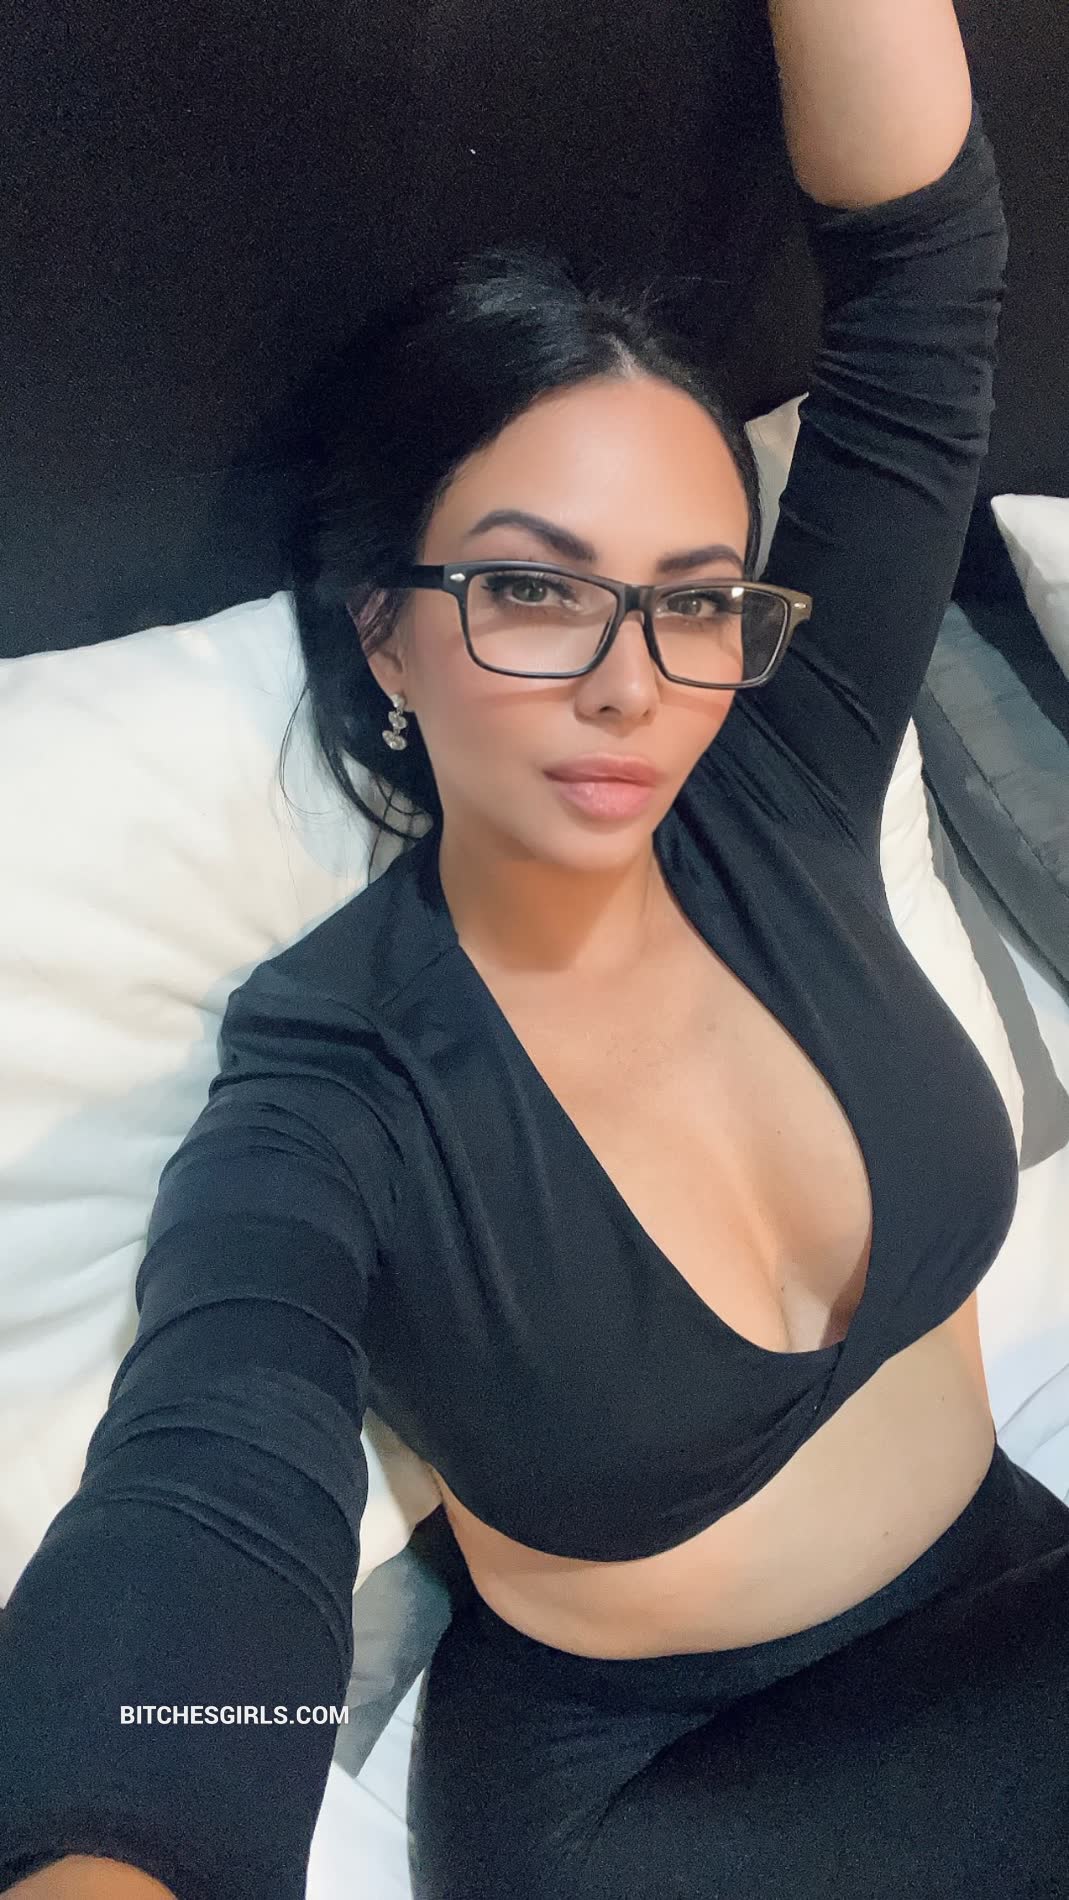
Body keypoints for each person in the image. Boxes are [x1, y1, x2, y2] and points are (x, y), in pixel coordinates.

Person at [3, 1, 1068, 1895]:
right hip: (674, 1795)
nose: (630, 686)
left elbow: (925, 277)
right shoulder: (331, 1079)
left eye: (692, 601)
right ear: (387, 637)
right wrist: (117, 1846)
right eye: (527, 588)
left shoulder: (778, 785)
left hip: (1004, 1601)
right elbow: (211, 1482)